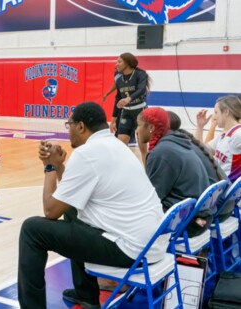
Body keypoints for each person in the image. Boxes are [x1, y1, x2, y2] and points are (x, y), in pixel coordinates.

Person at [18, 102, 166, 309]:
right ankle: (85, 295)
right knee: (71, 212)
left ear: (80, 126)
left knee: (32, 230)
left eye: (68, 124)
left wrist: (50, 166)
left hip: (132, 250)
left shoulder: (86, 154)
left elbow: (50, 211)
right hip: (152, 244)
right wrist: (61, 165)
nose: (67, 130)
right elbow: (69, 198)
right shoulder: (117, 146)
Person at [137, 107, 211, 237]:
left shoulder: (161, 153)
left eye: (139, 125)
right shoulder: (177, 142)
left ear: (151, 128)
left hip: (188, 222)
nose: (136, 131)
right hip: (200, 214)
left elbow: (151, 198)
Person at [196, 95, 241, 182]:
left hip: (230, 189)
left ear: (226, 112)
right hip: (221, 185)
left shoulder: (238, 134)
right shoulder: (225, 135)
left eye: (216, 112)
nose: (214, 117)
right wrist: (200, 126)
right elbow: (200, 151)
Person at [110, 53, 150, 146]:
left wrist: (129, 98)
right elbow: (118, 99)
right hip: (126, 112)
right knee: (121, 145)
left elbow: (141, 89)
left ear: (127, 63)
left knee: (142, 144)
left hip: (141, 110)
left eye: (119, 62)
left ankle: (144, 160)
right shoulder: (119, 80)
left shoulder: (140, 74)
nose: (116, 64)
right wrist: (113, 121)